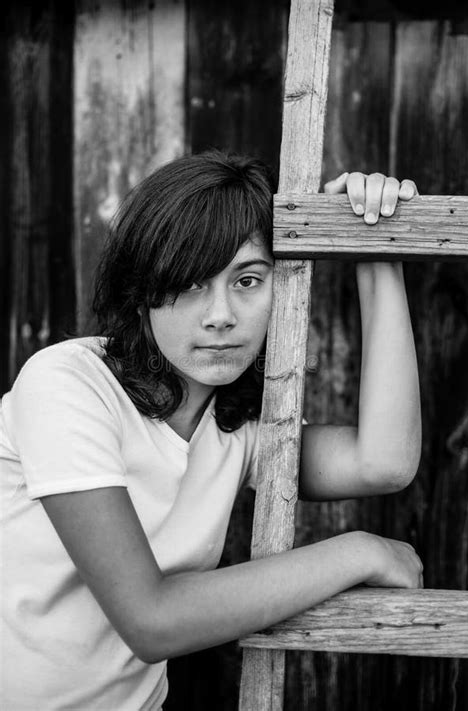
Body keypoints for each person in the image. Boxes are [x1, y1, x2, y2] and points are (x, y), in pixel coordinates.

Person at [0, 149, 423, 710]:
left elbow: (384, 462)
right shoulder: (67, 383)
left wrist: (373, 247)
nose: (220, 314)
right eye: (191, 284)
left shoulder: (240, 423)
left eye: (248, 279)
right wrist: (359, 552)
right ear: (141, 290)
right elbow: (150, 621)